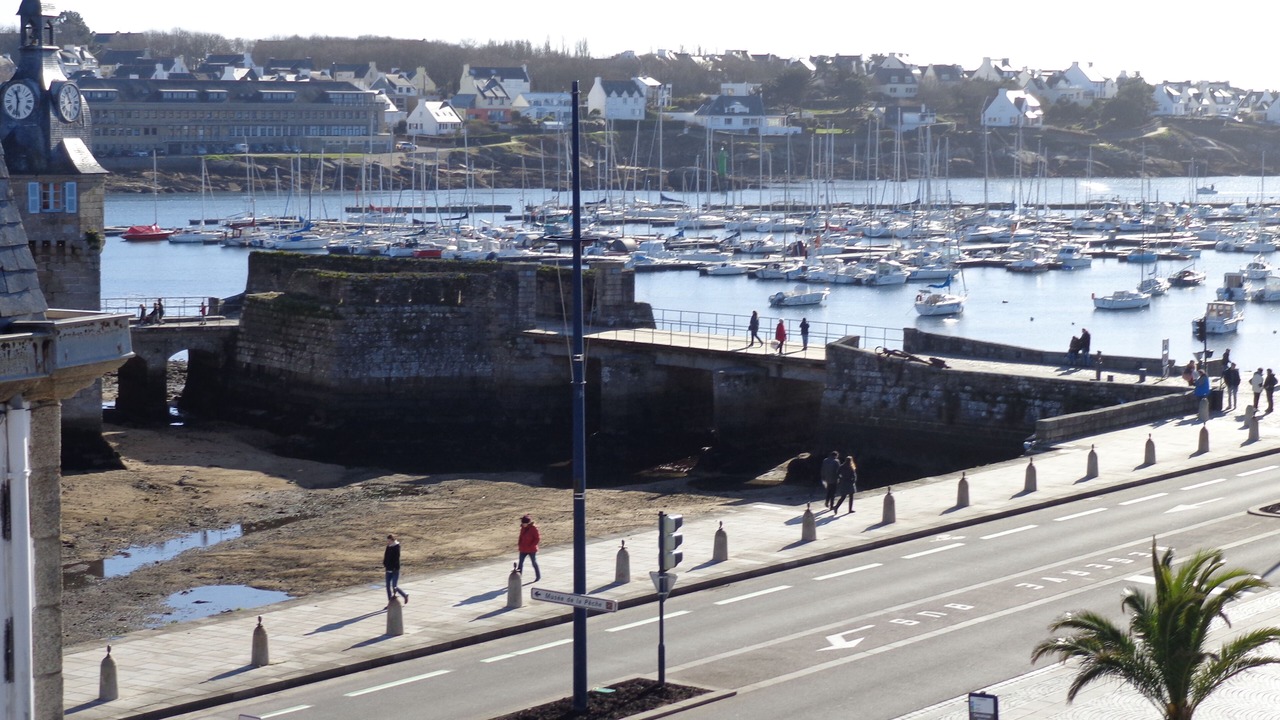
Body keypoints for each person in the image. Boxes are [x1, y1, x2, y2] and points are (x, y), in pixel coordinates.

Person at [382, 534, 409, 607]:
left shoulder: (396, 547)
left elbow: (396, 559)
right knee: (387, 586)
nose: (388, 542)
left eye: (389, 541)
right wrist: (385, 563)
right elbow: (386, 556)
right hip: (388, 569)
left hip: (394, 570)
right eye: (387, 541)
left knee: (394, 586)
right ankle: (390, 603)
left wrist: (394, 568)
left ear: (392, 540)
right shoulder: (388, 546)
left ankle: (404, 595)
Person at [518, 514, 541, 582]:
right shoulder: (522, 528)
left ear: (528, 523)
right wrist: (519, 544)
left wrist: (531, 545)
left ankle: (538, 576)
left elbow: (537, 539)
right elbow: (521, 537)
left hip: (531, 549)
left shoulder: (533, 528)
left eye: (524, 523)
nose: (523, 524)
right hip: (523, 549)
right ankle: (518, 578)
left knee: (533, 562)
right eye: (522, 523)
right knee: (520, 563)